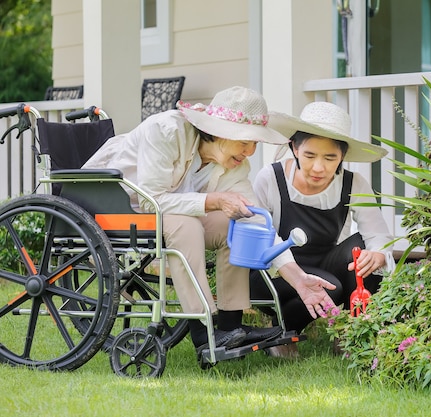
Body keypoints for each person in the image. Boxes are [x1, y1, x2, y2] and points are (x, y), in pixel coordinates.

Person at [82, 86, 337, 359]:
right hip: (114, 208)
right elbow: (150, 199)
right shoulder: (166, 130)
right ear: (219, 132)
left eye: (255, 144)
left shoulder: (234, 165)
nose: (250, 151)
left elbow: (257, 221)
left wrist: (297, 278)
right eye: (245, 141)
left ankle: (230, 325)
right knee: (187, 223)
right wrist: (213, 201)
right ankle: (203, 331)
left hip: (167, 215)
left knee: (239, 225)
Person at [250, 101, 396, 355]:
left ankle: (354, 333)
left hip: (323, 263)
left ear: (343, 156)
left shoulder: (353, 183)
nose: (319, 167)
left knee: (363, 249)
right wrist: (295, 274)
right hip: (273, 273)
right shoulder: (270, 178)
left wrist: (378, 254)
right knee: (331, 287)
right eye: (310, 156)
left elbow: (377, 233)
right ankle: (283, 331)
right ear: (294, 148)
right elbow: (258, 237)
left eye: (330, 158)